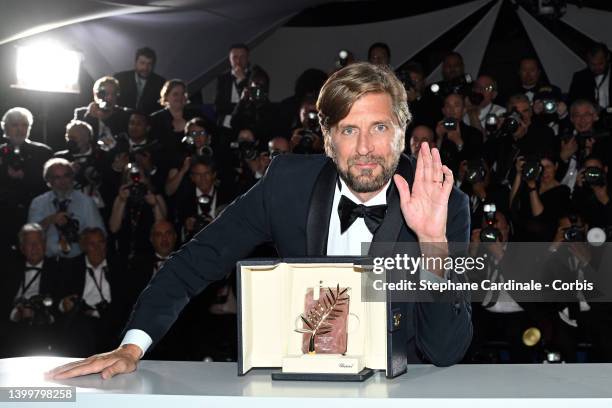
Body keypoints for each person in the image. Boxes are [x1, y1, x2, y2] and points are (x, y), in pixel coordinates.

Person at [46, 62, 472, 380]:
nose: (364, 148)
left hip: (402, 390)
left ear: (402, 131)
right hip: (301, 382)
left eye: (378, 127)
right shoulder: (286, 185)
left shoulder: (442, 200)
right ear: (326, 139)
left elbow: (446, 350)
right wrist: (132, 347)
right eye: (347, 130)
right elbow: (196, 260)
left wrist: (432, 241)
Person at [0, 108, 53, 255]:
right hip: (5, 219)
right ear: (6, 128)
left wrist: (26, 176)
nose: (20, 129)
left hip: (36, 216)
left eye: (24, 125)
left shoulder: (43, 152)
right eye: (15, 125)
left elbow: (51, 184)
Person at [28, 158, 106, 258]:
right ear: (48, 180)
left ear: (72, 177)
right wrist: (48, 221)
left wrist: (80, 236)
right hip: (47, 261)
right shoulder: (38, 203)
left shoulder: (86, 202)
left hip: (78, 261)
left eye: (66, 176)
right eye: (57, 177)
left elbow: (100, 234)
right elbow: (29, 237)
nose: (62, 181)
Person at [74, 76, 131, 142]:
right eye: (105, 94)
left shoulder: (124, 115)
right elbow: (78, 139)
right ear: (96, 94)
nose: (109, 98)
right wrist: (90, 116)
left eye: (113, 94)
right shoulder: (81, 114)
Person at [115, 47, 166, 115]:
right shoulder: (120, 78)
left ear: (153, 65)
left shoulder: (161, 83)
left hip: (148, 123)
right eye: (142, 63)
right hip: (121, 121)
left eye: (149, 64)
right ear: (135, 63)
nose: (145, 67)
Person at [215, 44, 251, 129]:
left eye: (242, 57)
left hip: (247, 123)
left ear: (247, 58)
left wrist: (242, 80)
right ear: (229, 59)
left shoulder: (254, 77)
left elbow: (253, 105)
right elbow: (219, 106)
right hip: (226, 123)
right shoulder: (222, 78)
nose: (238, 61)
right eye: (235, 57)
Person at [569, 42, 611, 109]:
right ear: (587, 61)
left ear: (608, 57)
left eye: (600, 64)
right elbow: (572, 104)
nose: (597, 68)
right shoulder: (580, 78)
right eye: (593, 64)